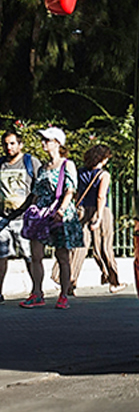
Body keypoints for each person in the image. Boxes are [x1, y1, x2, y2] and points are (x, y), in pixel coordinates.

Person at [13, 127, 84, 310]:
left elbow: (70, 190)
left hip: (59, 214)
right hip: (41, 214)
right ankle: (37, 293)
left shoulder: (67, 165)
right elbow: (36, 193)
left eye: (47, 140)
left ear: (58, 143)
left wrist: (60, 211)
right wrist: (30, 210)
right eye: (43, 139)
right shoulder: (43, 167)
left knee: (62, 255)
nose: (43, 142)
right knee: (36, 254)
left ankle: (63, 294)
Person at [68, 144, 120, 293]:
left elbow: (76, 192)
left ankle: (70, 282)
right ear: (103, 159)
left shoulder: (80, 172)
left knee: (79, 248)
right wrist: (98, 217)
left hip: (82, 210)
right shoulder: (104, 175)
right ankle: (113, 281)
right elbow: (101, 196)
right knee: (104, 247)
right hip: (100, 211)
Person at [0, 127, 36, 303]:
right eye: (6, 144)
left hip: (24, 218)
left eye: (13, 144)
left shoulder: (30, 162)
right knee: (1, 256)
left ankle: (36, 290)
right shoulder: (1, 164)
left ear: (20, 144)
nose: (9, 148)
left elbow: (39, 187)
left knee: (29, 256)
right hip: (3, 218)